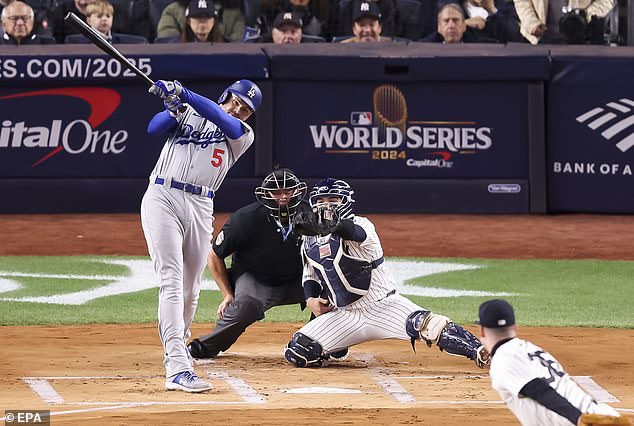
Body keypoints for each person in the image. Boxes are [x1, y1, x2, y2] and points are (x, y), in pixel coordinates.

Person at [284, 178, 490, 369]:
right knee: (299, 351)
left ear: (346, 202)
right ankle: (338, 346)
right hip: (346, 315)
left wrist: (334, 224)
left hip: (384, 305)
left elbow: (353, 232)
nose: (326, 205)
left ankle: (481, 352)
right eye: (320, 200)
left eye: (333, 199)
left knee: (428, 325)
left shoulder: (362, 225)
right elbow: (310, 273)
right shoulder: (309, 240)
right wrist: (311, 299)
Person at [142, 78, 262, 392]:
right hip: (162, 195)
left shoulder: (242, 134)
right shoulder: (190, 112)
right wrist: (172, 109)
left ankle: (177, 346)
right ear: (226, 94)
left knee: (190, 287)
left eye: (246, 109)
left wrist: (183, 94)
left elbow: (219, 117)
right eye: (236, 101)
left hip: (200, 204)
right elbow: (153, 130)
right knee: (171, 279)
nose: (238, 109)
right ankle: (178, 368)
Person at [187, 168, 310, 359]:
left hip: (299, 279)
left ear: (297, 190)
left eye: (289, 191)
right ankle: (205, 346)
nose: (283, 197)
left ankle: (323, 344)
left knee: (333, 294)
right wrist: (227, 294)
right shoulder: (246, 218)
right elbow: (214, 255)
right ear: (266, 195)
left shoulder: (310, 214)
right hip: (257, 279)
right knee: (244, 308)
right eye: (277, 192)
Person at [477, 299, 631, 426]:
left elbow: (540, 390)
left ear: (482, 331)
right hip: (604, 415)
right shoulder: (530, 348)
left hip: (584, 421)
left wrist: (578, 418)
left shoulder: (504, 359)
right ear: (515, 327)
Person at [513, 0, 614, 44]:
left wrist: (584, 16)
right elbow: (522, 2)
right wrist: (532, 24)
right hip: (537, 40)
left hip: (581, 41)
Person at [156, 0, 246, 42]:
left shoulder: (234, 12)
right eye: (197, 18)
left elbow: (238, 43)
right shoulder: (172, 10)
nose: (202, 23)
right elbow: (166, 41)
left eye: (207, 18)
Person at [65, 0, 148, 43]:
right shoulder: (64, 12)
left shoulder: (120, 14)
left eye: (108, 16)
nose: (104, 19)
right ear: (88, 20)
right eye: (99, 16)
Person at [422, 3, 497, 42]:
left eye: (456, 20)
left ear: (464, 26)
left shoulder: (480, 46)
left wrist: (492, 10)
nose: (451, 26)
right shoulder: (425, 47)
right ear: (439, 27)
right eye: (446, 21)